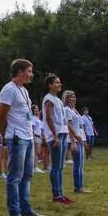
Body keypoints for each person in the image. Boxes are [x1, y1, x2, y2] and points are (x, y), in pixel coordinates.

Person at [0, 59, 47, 216]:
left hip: (28, 136)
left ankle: (26, 209)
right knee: (15, 176)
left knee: (27, 175)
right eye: (29, 71)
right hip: (17, 137)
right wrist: (4, 135)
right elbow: (1, 115)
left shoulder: (24, 90)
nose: (31, 75)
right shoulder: (9, 89)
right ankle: (15, 212)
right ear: (20, 72)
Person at [43, 74, 72, 204]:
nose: (59, 84)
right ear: (50, 85)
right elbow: (49, 118)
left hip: (63, 133)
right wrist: (55, 135)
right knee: (55, 166)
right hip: (56, 135)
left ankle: (61, 193)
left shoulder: (58, 100)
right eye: (56, 82)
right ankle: (56, 195)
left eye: (59, 82)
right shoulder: (48, 99)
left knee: (60, 166)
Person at [63, 91, 90, 194]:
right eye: (71, 97)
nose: (73, 98)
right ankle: (78, 187)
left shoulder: (74, 110)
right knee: (78, 164)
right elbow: (69, 126)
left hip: (79, 139)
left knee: (81, 164)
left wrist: (83, 139)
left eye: (74, 96)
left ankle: (80, 186)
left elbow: (79, 126)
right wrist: (73, 141)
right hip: (74, 139)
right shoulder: (66, 110)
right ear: (66, 99)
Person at [30, 104, 46, 174]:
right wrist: (33, 137)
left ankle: (35, 166)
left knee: (37, 152)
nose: (37, 110)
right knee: (36, 152)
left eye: (37, 108)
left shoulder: (37, 118)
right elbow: (32, 128)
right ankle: (35, 167)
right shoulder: (33, 118)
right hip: (36, 136)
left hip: (39, 136)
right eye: (35, 109)